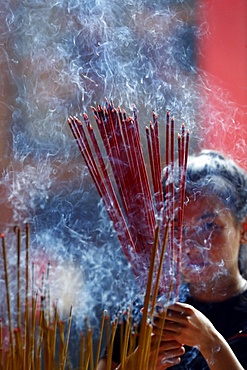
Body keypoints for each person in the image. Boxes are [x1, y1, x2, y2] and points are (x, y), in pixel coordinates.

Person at [97, 150, 247, 369]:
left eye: (209, 226)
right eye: (177, 228)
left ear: (243, 230)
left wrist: (209, 342)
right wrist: (135, 365)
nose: (191, 245)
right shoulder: (146, 312)